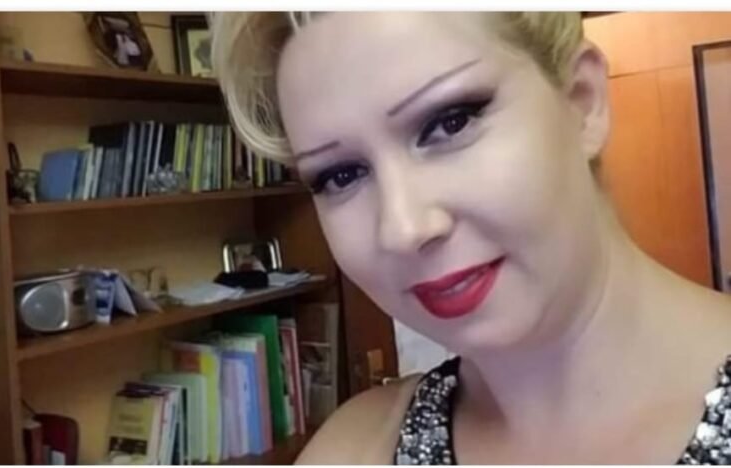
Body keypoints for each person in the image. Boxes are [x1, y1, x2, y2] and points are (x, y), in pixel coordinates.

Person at [209, 12, 731, 464]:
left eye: (450, 123)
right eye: (341, 175)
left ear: (582, 101)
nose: (403, 228)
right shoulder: (353, 452)